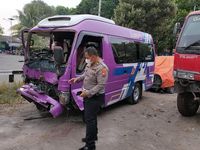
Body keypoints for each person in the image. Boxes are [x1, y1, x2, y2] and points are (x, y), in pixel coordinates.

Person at [68, 46, 109, 150]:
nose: (86, 59)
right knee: (91, 118)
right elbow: (85, 75)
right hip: (88, 95)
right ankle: (91, 137)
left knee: (89, 120)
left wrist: (88, 93)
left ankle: (90, 146)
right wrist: (76, 79)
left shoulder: (102, 68)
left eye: (87, 57)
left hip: (95, 97)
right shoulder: (90, 63)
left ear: (94, 57)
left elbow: (101, 85)